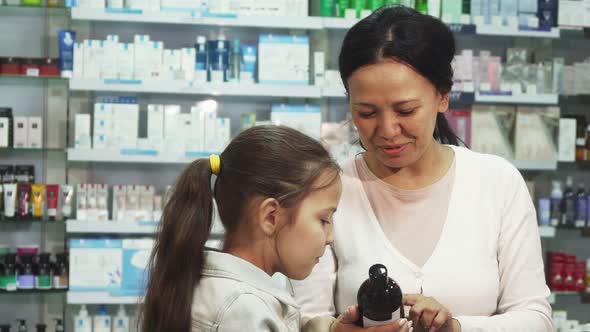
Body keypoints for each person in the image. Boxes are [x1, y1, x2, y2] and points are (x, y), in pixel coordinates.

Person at [292, 6, 553, 332]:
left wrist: (456, 328)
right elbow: (301, 317)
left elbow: (536, 319)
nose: (387, 129)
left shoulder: (496, 183)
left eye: (406, 110)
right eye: (367, 112)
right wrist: (332, 330)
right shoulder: (329, 190)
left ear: (443, 97)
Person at [139, 125, 410, 332]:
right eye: (323, 220)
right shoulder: (242, 309)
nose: (329, 238)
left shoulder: (217, 286)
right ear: (271, 216)